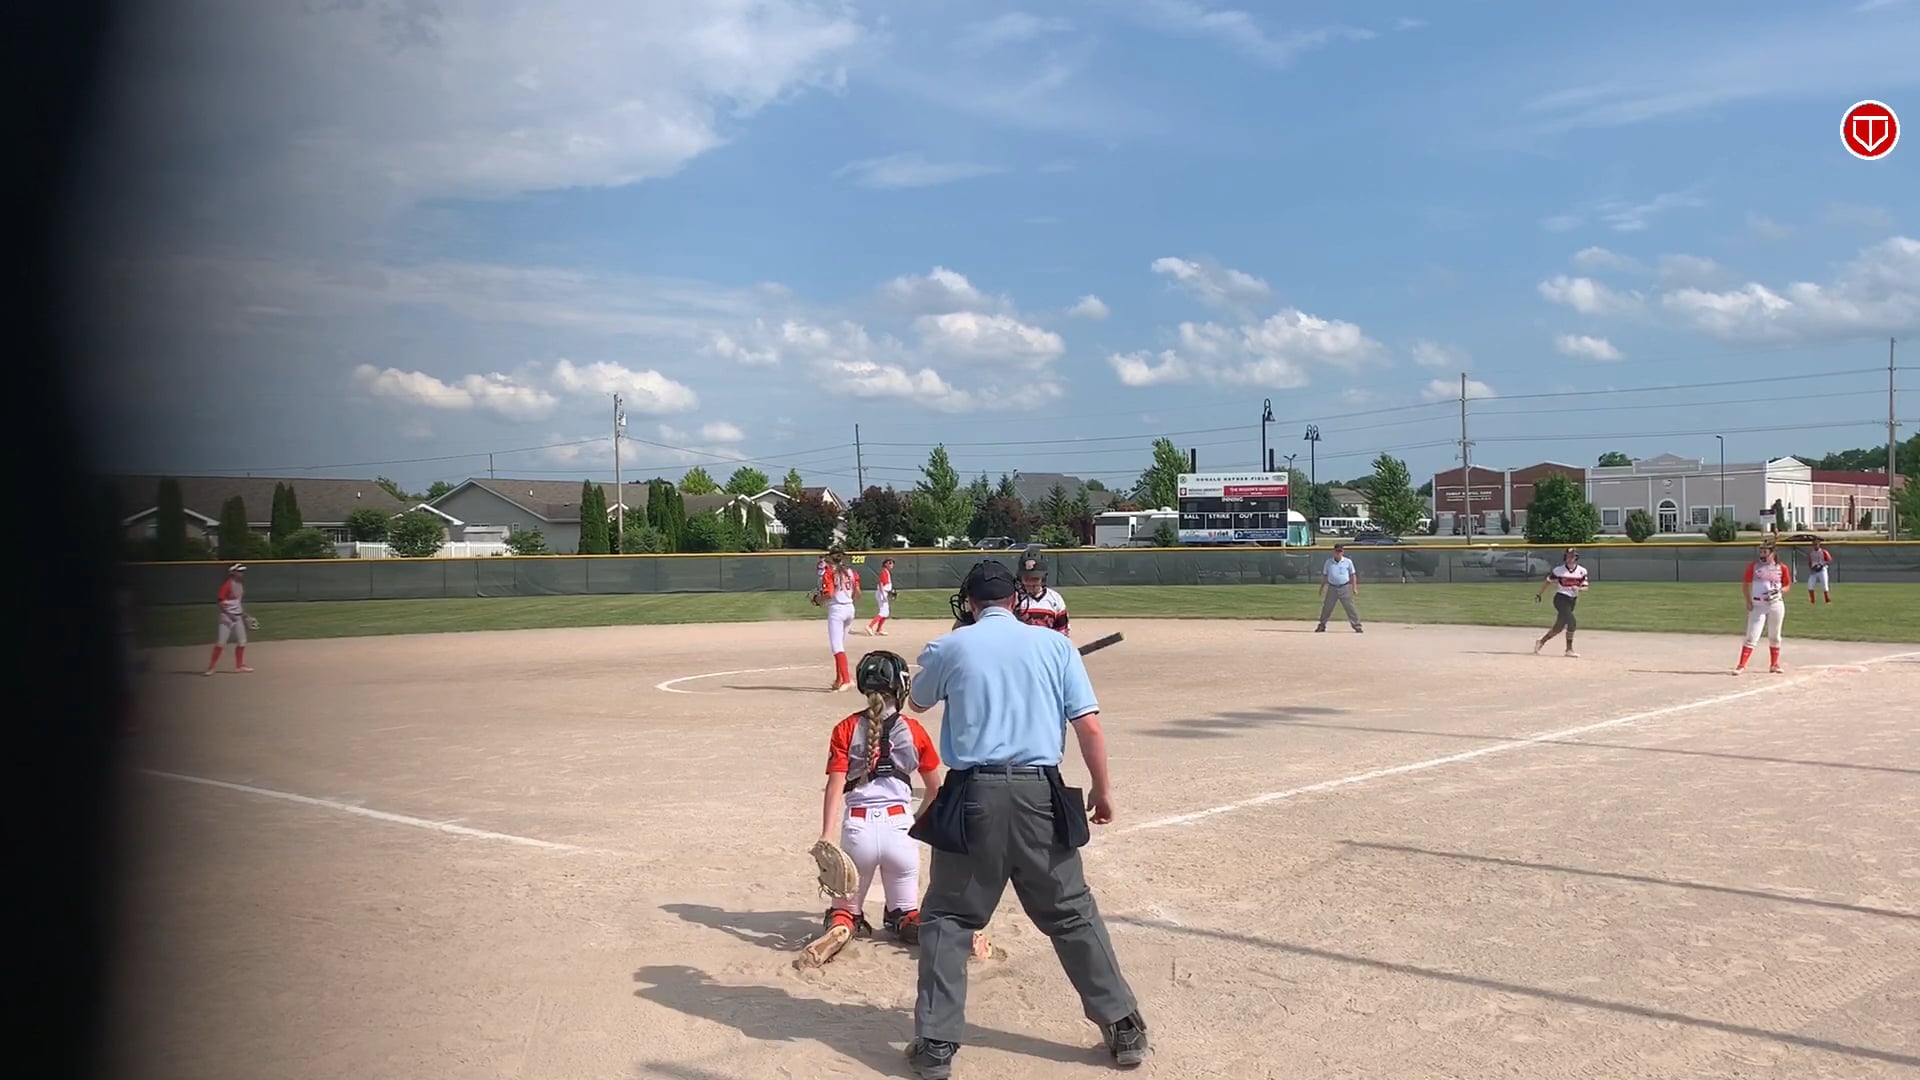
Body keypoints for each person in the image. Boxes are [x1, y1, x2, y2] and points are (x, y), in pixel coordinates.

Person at [902, 560, 1147, 1078]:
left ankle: (936, 1044)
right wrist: (1102, 789)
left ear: (970, 602)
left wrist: (951, 655)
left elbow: (917, 702)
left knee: (949, 918)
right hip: (1041, 793)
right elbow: (1089, 728)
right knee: (1071, 912)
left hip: (973, 795)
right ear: (1015, 599)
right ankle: (1123, 1025)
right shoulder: (1055, 646)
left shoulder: (952, 646)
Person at [817, 650, 943, 944]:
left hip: (858, 830)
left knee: (844, 911)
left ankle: (843, 923)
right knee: (906, 912)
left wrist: (826, 835)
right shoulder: (914, 730)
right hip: (900, 828)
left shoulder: (845, 728)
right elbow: (935, 789)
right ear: (901, 687)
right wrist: (914, 821)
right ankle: (920, 927)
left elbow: (835, 785)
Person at [1735, 541, 1791, 675]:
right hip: (1758, 605)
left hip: (1776, 604)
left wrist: (1780, 591)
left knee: (1775, 636)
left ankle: (1774, 664)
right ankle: (1741, 665)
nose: (1762, 554)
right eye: (1761, 551)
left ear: (1772, 553)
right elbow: (1745, 584)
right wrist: (1748, 601)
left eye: (1765, 552)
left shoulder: (1781, 567)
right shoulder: (1754, 567)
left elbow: (1787, 585)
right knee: (1752, 636)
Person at [813, 545, 860, 691]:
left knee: (837, 647)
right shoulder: (851, 572)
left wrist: (817, 599)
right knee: (840, 646)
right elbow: (857, 593)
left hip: (837, 610)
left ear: (830, 557)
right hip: (850, 608)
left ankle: (847, 680)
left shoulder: (829, 572)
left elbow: (829, 594)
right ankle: (839, 679)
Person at [1532, 548, 1589, 657]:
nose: (1570, 558)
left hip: (1572, 600)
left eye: (1572, 556)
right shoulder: (1558, 570)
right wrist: (1539, 594)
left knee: (1558, 627)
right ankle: (1569, 649)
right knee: (1572, 622)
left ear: (1576, 557)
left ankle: (1541, 641)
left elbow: (1586, 586)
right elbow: (1548, 582)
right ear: (1565, 557)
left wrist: (1579, 588)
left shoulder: (1582, 571)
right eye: (1568, 556)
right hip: (1560, 599)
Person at [204, 563, 254, 675]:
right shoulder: (227, 585)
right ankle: (211, 668)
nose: (242, 573)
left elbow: (237, 603)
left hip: (237, 617)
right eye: (239, 571)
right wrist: (228, 614)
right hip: (227, 618)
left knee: (242, 641)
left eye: (242, 571)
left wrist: (244, 614)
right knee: (221, 642)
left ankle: (239, 666)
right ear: (233, 572)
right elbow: (220, 601)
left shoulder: (240, 584)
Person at [1013, 547, 1070, 636]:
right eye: (1026, 578)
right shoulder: (1014, 599)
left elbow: (1062, 631)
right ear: (1020, 578)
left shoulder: (1055, 599)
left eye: (1035, 579)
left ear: (1043, 578)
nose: (1030, 583)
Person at [1315, 542, 1362, 633]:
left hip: (1344, 587)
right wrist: (1322, 588)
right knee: (1327, 607)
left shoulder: (1348, 562)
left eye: (1340, 551)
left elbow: (1353, 575)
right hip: (1332, 587)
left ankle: (1357, 626)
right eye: (1337, 551)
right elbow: (1325, 576)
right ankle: (1322, 625)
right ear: (1334, 551)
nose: (1339, 553)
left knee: (1350, 607)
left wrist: (1354, 588)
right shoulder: (1329, 562)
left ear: (1343, 552)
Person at [867, 557, 897, 636]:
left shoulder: (887, 572)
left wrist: (889, 592)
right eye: (889, 563)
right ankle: (869, 626)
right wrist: (883, 594)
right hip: (882, 593)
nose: (891, 564)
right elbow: (880, 583)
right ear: (885, 564)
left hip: (884, 593)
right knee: (883, 612)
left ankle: (879, 630)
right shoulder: (884, 571)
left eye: (892, 563)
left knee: (886, 612)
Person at [1804, 537, 1834, 604]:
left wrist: (1821, 565)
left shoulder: (1823, 552)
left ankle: (1828, 600)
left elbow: (1829, 560)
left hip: (1822, 570)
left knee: (1825, 586)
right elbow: (1810, 562)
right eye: (1814, 544)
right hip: (1814, 571)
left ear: (1819, 544)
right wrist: (1811, 568)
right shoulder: (1811, 553)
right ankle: (1812, 602)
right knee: (1810, 585)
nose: (1815, 545)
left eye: (1816, 544)